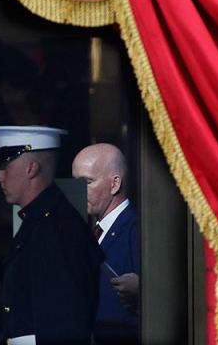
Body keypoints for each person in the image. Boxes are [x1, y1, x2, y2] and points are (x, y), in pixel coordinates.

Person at [0, 126, 101, 345]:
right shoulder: (39, 222)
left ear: (31, 169)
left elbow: (65, 325)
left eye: (6, 166)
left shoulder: (57, 229)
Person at [72, 143, 140, 345]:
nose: (79, 191)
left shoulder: (136, 229)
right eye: (76, 182)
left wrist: (144, 289)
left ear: (114, 184)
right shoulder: (89, 230)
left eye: (87, 182)